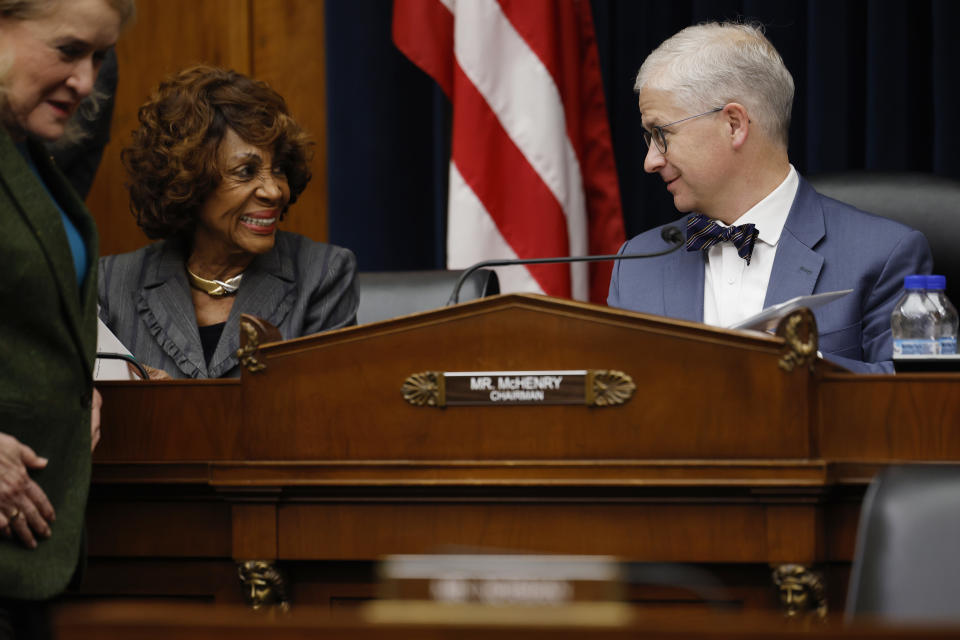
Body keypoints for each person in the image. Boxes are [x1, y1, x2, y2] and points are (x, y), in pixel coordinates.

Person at [607, 22, 932, 373]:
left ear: (734, 124)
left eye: (661, 134)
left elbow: (915, 404)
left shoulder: (883, 255)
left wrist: (798, 367)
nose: (650, 161)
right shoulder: (637, 263)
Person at [0, 0, 134, 635]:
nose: (87, 81)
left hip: (32, 554)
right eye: (67, 50)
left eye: (99, 56)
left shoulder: (29, 154)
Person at [98, 65, 359, 379]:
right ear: (190, 181)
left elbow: (327, 414)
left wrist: (169, 407)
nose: (275, 191)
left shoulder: (322, 275)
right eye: (246, 172)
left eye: (278, 169)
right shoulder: (111, 285)